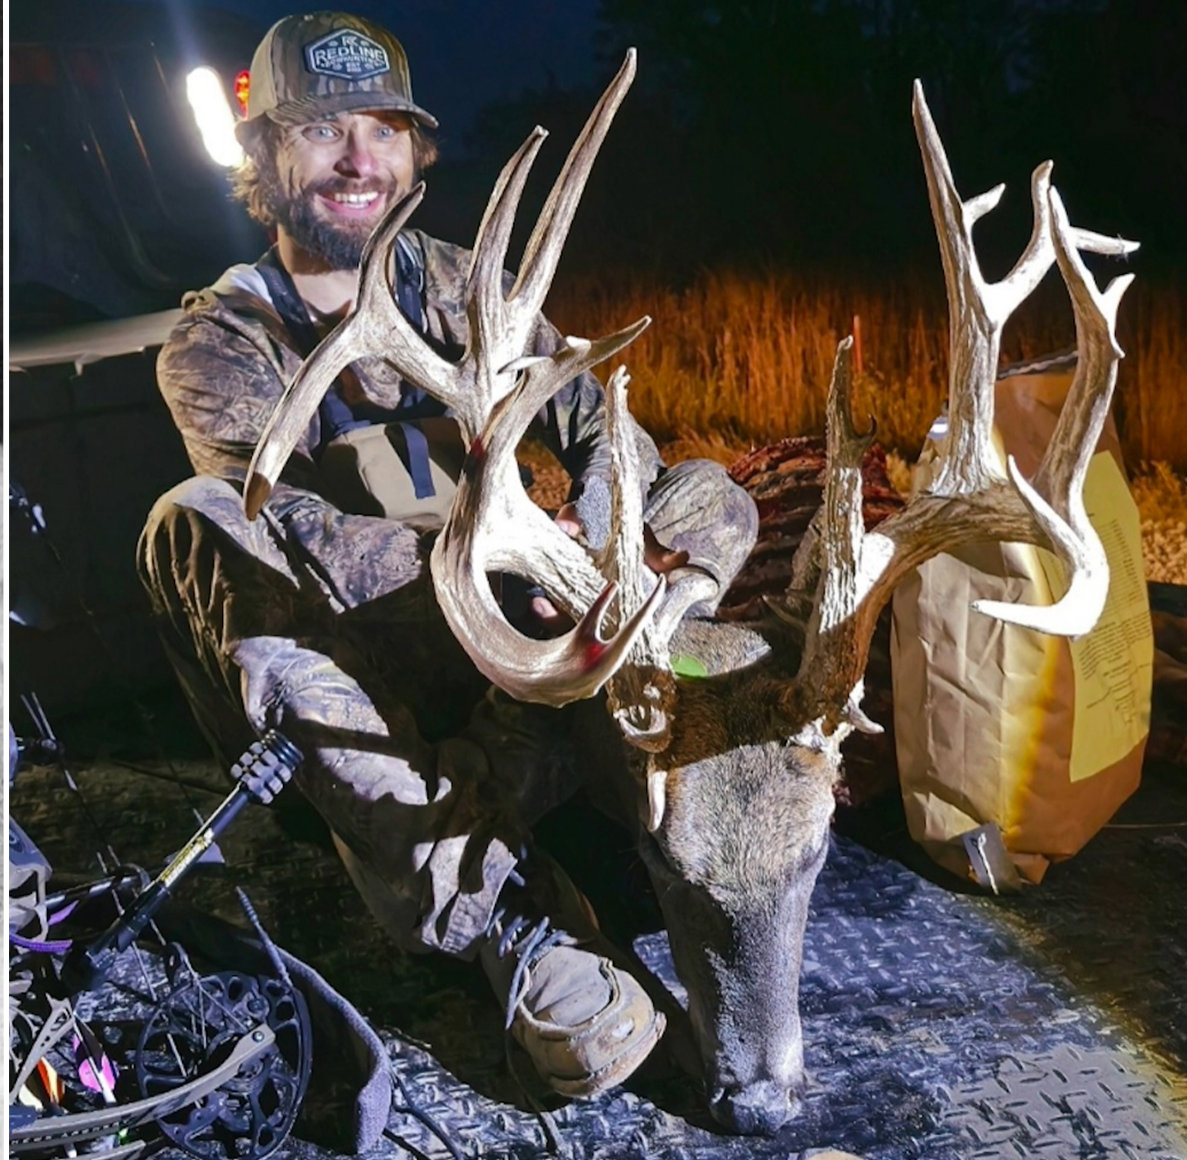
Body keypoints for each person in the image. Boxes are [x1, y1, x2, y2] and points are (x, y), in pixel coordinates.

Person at [138, 12, 757, 1099]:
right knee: (192, 520)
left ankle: (676, 769)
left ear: (417, 153)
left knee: (704, 492)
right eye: (321, 130)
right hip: (356, 698)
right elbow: (294, 536)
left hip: (523, 654)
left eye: (383, 130)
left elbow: (601, 421)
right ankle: (511, 914)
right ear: (265, 158)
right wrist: (500, 568)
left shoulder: (468, 286)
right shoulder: (220, 340)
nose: (357, 159)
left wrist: (594, 535)